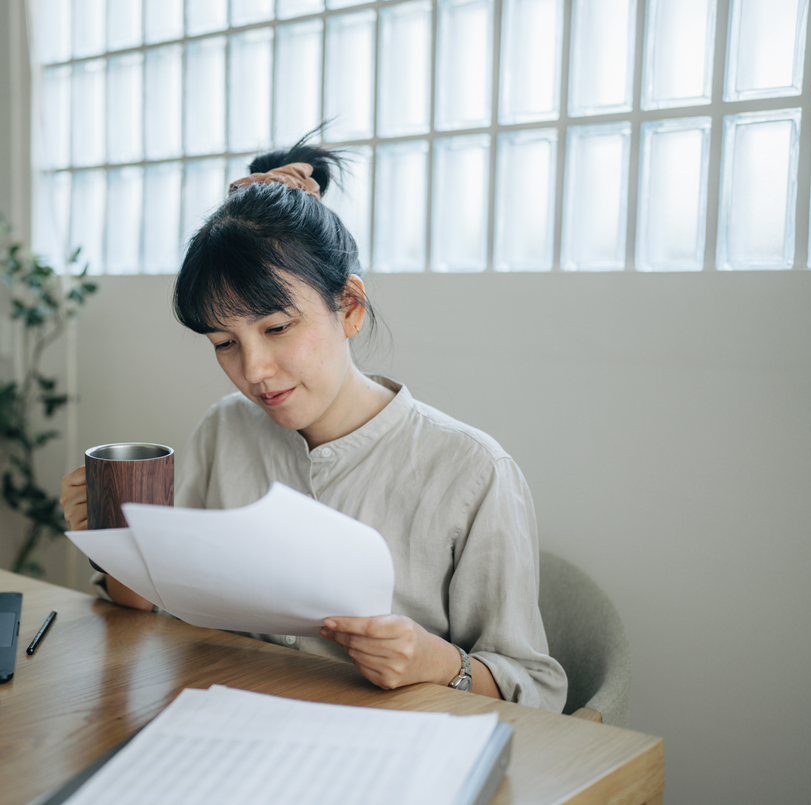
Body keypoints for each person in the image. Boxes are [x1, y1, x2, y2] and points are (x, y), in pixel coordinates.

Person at [60, 138, 567, 711]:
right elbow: (155, 604)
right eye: (225, 343)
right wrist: (115, 540)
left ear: (348, 306)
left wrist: (438, 663)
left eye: (276, 328)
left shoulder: (471, 471)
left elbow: (538, 690)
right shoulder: (226, 429)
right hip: (230, 727)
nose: (253, 371)